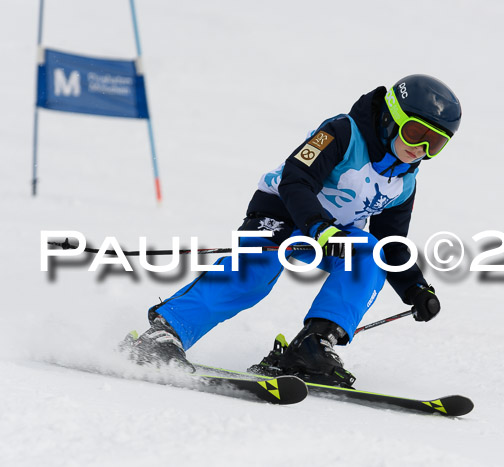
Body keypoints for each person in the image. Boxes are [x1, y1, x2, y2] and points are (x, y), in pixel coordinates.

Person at [122, 74, 462, 387]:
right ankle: (164, 334)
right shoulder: (343, 132)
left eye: (436, 143)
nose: (421, 148)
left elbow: (392, 245)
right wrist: (319, 228)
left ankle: (311, 346)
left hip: (334, 236)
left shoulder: (403, 181)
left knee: (369, 253)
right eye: (416, 133)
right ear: (391, 117)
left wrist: (415, 288)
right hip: (282, 212)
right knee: (253, 272)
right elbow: (296, 179)